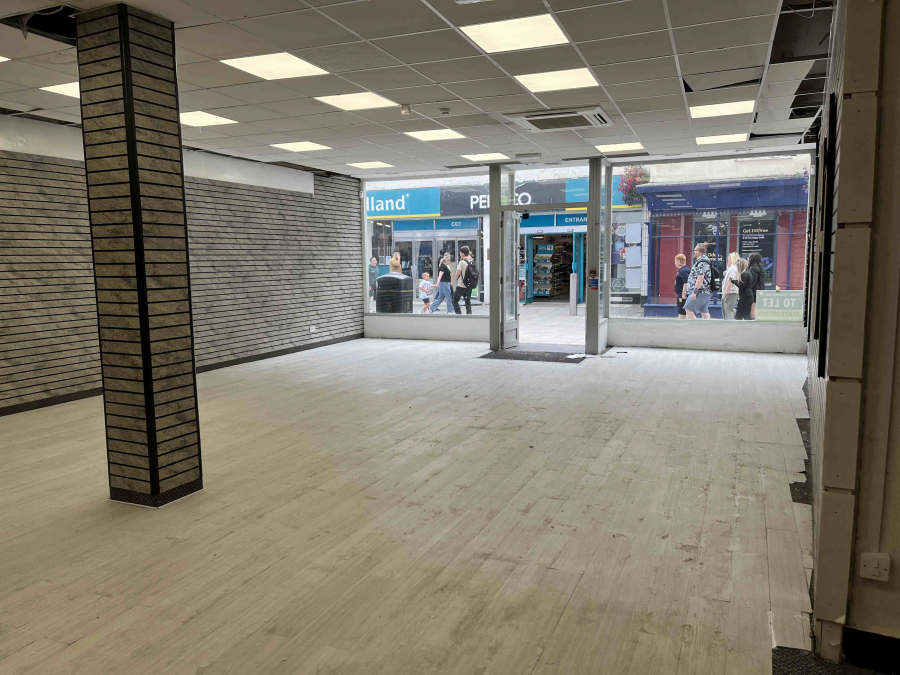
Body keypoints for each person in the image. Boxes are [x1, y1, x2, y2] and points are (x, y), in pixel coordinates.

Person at [683, 242, 713, 319]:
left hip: (700, 292)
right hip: (705, 291)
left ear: (698, 251)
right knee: (704, 310)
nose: (694, 252)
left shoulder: (702, 262)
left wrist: (694, 292)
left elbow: (700, 278)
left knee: (688, 309)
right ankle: (708, 325)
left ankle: (693, 325)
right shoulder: (705, 261)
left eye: (694, 250)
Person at [452, 246, 474, 315]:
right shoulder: (471, 261)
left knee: (454, 300)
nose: (460, 254)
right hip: (469, 285)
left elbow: (457, 274)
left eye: (460, 253)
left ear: (463, 253)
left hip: (461, 285)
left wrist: (457, 277)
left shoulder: (462, 262)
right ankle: (469, 315)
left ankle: (459, 314)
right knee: (467, 301)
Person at [721, 251, 742, 320]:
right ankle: (731, 318)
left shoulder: (733, 268)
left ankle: (730, 321)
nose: (728, 259)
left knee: (728, 309)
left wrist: (726, 291)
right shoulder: (732, 268)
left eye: (729, 258)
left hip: (731, 292)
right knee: (726, 308)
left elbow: (731, 280)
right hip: (730, 291)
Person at [747, 252, 766, 319]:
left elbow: (752, 281)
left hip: (754, 291)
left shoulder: (753, 269)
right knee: (755, 307)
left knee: (752, 309)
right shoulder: (761, 268)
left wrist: (748, 289)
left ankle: (753, 319)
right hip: (760, 290)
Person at [673, 254, 690, 319]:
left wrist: (683, 294)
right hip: (681, 294)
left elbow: (686, 282)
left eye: (675, 261)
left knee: (682, 312)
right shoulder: (684, 269)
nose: (675, 263)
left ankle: (681, 322)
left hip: (682, 294)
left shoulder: (683, 271)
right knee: (685, 311)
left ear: (679, 262)